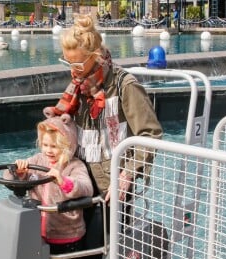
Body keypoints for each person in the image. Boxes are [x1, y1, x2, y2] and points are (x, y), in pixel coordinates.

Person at [44, 14, 163, 205]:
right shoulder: (79, 84)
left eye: (77, 64)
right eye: (68, 62)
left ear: (96, 56)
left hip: (114, 185)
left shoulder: (125, 85)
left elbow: (151, 134)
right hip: (80, 180)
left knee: (109, 234)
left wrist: (127, 175)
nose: (72, 71)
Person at [4, 114, 94, 259]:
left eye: (54, 146)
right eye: (45, 145)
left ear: (67, 146)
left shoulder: (74, 166)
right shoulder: (37, 161)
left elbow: (86, 188)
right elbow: (9, 178)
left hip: (68, 235)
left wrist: (63, 181)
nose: (49, 151)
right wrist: (18, 171)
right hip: (40, 235)